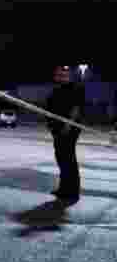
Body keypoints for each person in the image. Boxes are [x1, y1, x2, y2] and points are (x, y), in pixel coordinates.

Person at [46, 65, 85, 203]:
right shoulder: (56, 90)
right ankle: (63, 189)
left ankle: (73, 191)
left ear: (69, 75)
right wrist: (52, 128)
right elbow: (50, 109)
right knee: (61, 158)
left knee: (68, 159)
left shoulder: (76, 88)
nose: (60, 76)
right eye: (58, 74)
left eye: (63, 74)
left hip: (69, 130)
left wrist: (67, 126)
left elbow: (76, 109)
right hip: (57, 130)